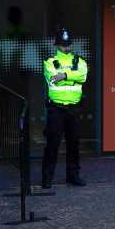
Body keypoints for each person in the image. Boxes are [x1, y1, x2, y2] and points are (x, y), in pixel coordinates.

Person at [42, 28, 88, 189]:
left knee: (74, 144)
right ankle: (47, 178)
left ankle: (73, 176)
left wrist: (65, 76)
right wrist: (70, 77)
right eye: (63, 45)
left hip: (74, 109)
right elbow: (53, 78)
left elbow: (83, 76)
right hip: (56, 109)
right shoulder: (49, 61)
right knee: (52, 144)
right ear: (57, 45)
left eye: (68, 44)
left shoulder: (80, 60)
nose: (66, 48)